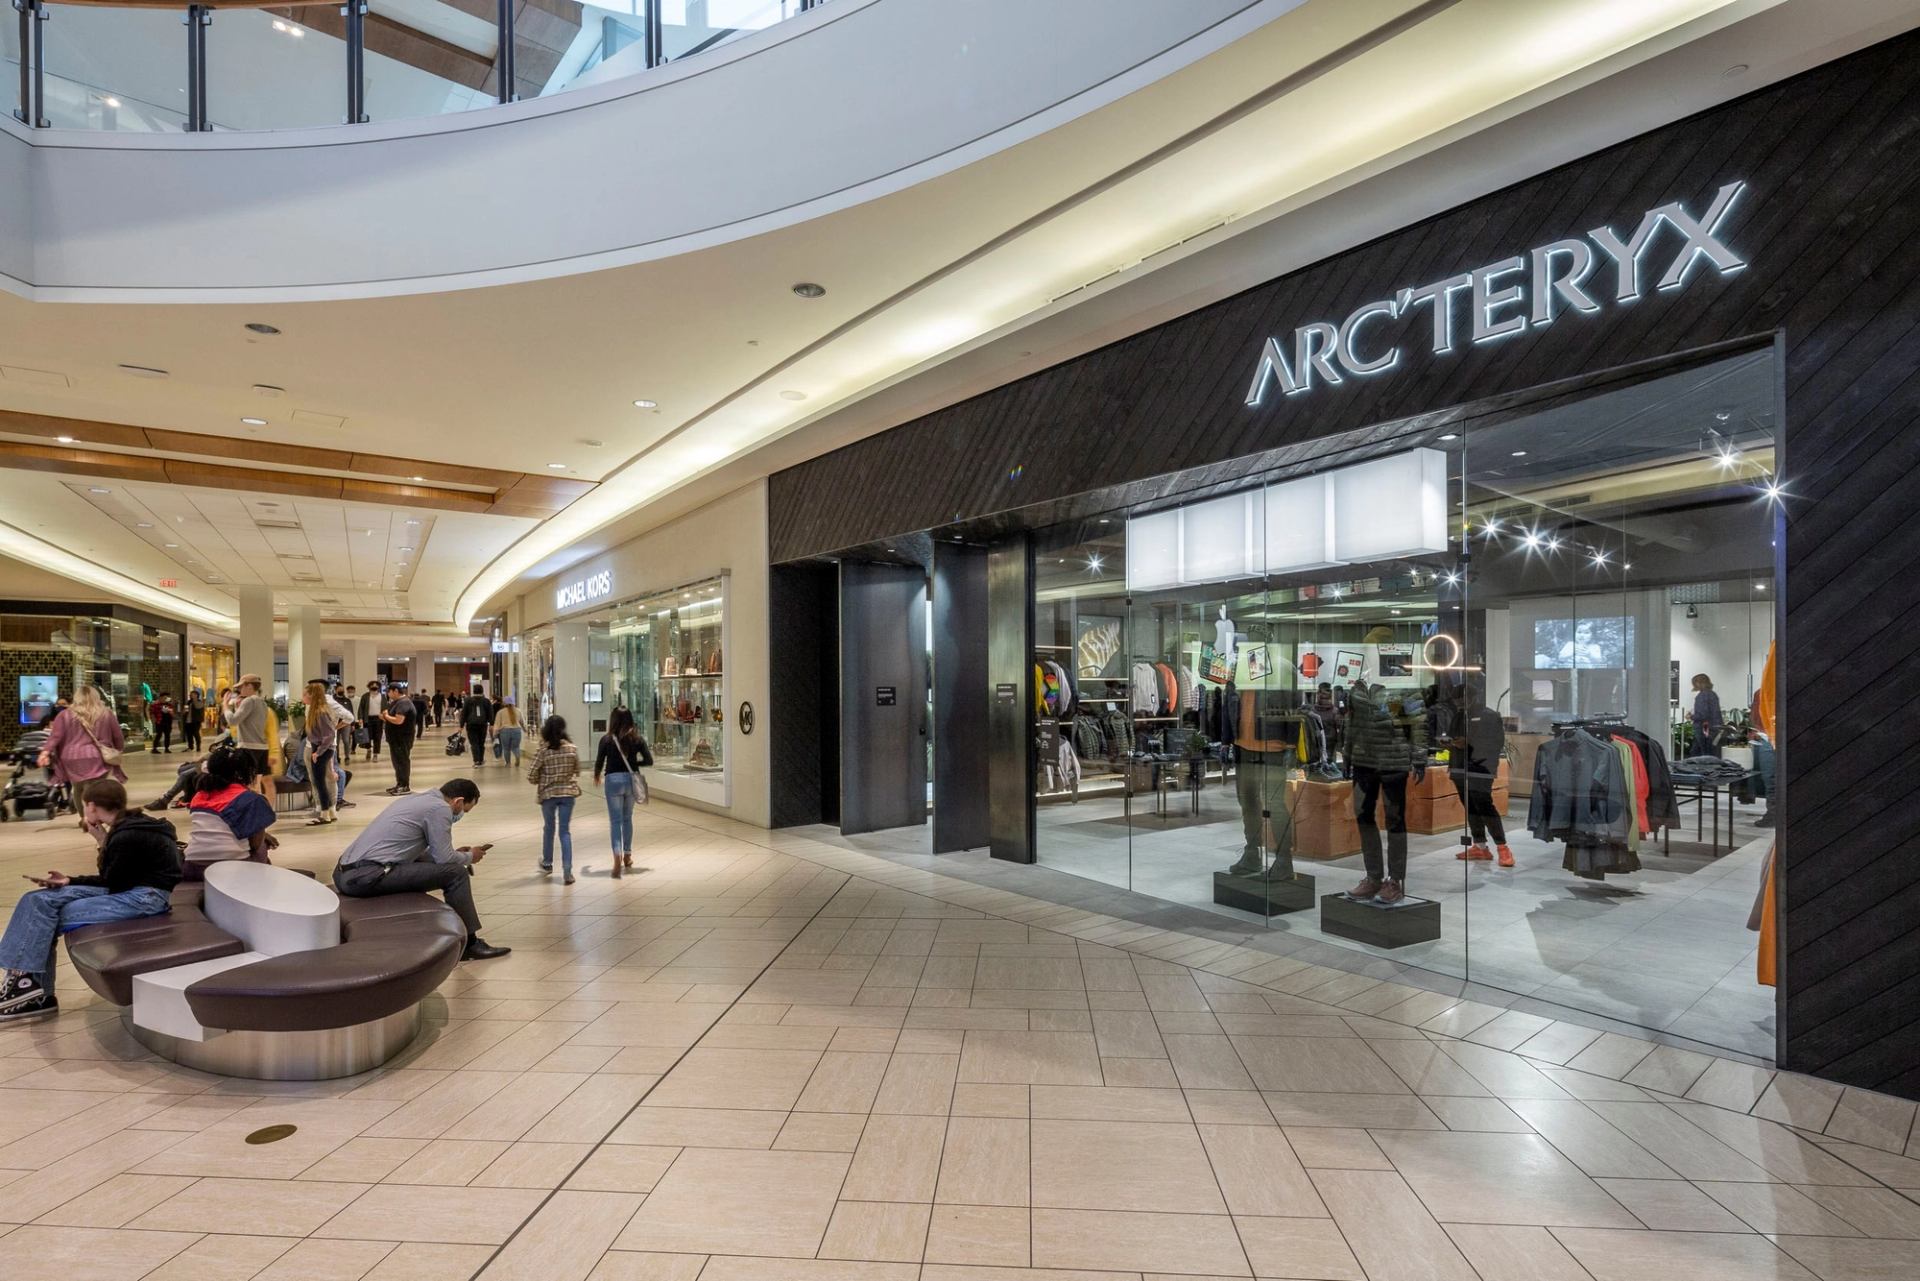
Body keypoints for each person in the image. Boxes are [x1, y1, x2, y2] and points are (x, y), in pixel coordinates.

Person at [0, 779, 180, 1021]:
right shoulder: (130, 825)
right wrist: (71, 879)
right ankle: (30, 988)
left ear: (92, 806)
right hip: (136, 892)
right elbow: (117, 878)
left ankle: (30, 988)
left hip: (144, 898)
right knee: (37, 901)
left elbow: (112, 882)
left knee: (45, 914)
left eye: (84, 806)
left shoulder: (127, 834)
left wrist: (75, 875)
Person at [330, 779, 509, 961]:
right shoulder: (440, 809)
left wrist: (456, 855)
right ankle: (470, 944)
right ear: (458, 801)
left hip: (345, 873)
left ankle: (422, 931)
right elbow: (445, 859)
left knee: (439, 866)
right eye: (465, 810)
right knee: (457, 874)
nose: (461, 814)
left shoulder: (415, 800)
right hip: (365, 877)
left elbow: (423, 853)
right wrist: (470, 857)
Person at [1344, 677, 1426, 905]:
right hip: (1363, 761)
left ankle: (1395, 880)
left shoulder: (1403, 683)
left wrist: (1419, 757)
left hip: (1394, 762)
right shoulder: (1359, 686)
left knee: (1395, 820)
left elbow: (1418, 722)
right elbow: (1352, 723)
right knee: (1363, 817)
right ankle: (1373, 877)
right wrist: (1347, 754)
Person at [184, 745, 277, 877]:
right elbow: (255, 844)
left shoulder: (199, 796)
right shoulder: (252, 799)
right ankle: (259, 888)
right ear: (243, 772)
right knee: (262, 847)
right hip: (232, 868)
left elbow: (217, 827)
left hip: (193, 866)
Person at [39, 685, 127, 826]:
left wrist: (45, 752)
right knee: (94, 788)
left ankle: (84, 818)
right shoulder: (106, 713)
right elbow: (118, 736)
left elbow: (55, 737)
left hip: (71, 757)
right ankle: (93, 818)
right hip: (96, 757)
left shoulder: (65, 715)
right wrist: (118, 749)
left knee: (78, 789)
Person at [1451, 681, 1514, 867]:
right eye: (1456, 702)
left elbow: (1495, 743)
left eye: (1461, 700)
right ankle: (1480, 846)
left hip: (1481, 768)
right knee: (1470, 807)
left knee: (1485, 806)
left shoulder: (1489, 716)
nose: (1459, 704)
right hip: (1458, 767)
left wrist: (1468, 742)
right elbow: (1451, 734)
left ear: (1471, 697)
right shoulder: (1459, 715)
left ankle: (1503, 848)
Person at [594, 707, 653, 878]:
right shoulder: (637, 739)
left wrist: (597, 775)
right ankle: (627, 855)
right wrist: (634, 765)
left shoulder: (606, 739)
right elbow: (649, 760)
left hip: (612, 781)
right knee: (627, 819)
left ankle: (616, 856)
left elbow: (599, 761)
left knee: (615, 822)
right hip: (630, 781)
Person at [527, 715, 581, 884]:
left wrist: (541, 780)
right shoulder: (572, 748)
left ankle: (548, 862)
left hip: (548, 795)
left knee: (549, 828)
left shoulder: (543, 750)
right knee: (564, 831)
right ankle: (567, 871)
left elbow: (531, 774)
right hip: (567, 794)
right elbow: (577, 770)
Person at [302, 680, 341, 825]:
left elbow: (329, 734)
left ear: (311, 696)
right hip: (320, 748)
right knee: (320, 781)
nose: (303, 697)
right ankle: (330, 811)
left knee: (320, 782)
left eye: (305, 694)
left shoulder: (320, 712)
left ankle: (325, 814)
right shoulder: (316, 711)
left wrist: (318, 752)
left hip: (322, 749)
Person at [228, 674, 272, 797]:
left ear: (249, 686)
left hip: (249, 747)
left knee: (248, 786)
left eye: (241, 686)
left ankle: (250, 812)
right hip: (262, 748)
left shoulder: (249, 701)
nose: (239, 690)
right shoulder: (262, 702)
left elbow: (233, 721)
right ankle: (260, 811)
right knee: (256, 786)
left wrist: (225, 707)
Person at [381, 684, 420, 795]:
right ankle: (400, 784)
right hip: (395, 738)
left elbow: (399, 720)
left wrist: (386, 716)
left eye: (389, 691)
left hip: (402, 738)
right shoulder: (397, 702)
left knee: (402, 761)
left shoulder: (404, 703)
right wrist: (386, 716)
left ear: (396, 691)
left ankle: (404, 785)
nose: (388, 694)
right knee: (397, 762)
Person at [1690, 673, 1724, 758]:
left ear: (1699, 683)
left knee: (1702, 752)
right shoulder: (1712, 694)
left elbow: (1703, 715)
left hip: (1705, 727)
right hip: (1712, 727)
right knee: (1709, 751)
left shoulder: (1702, 696)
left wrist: (1691, 716)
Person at [461, 690, 494, 768]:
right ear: (482, 691)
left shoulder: (468, 700)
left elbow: (464, 713)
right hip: (483, 724)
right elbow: (490, 713)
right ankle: (481, 759)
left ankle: (476, 761)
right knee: (481, 743)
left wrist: (461, 725)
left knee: (474, 743)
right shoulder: (486, 701)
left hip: (471, 724)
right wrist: (491, 723)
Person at [493, 697, 524, 769]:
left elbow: (497, 724)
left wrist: (495, 733)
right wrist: (525, 729)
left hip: (504, 731)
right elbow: (522, 722)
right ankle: (517, 756)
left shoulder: (500, 712)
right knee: (516, 747)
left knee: (506, 748)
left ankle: (508, 763)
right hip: (517, 730)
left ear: (504, 703)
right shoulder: (518, 711)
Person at [358, 682, 386, 761]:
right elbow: (361, 708)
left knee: (378, 737)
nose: (374, 688)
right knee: (367, 737)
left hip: (378, 719)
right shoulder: (365, 696)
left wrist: (385, 718)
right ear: (369, 687)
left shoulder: (382, 696)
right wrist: (360, 718)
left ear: (379, 687)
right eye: (372, 686)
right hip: (368, 719)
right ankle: (368, 750)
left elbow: (385, 708)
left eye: (376, 687)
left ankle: (375, 754)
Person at [338, 685, 359, 762]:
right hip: (340, 723)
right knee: (341, 740)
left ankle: (350, 752)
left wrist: (355, 721)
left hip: (351, 721)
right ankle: (339, 756)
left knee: (351, 738)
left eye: (352, 691)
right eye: (349, 691)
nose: (350, 692)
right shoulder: (339, 700)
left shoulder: (355, 699)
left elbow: (354, 711)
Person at [181, 688, 205, 753]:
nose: (191, 696)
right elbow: (185, 710)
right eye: (191, 695)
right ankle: (190, 747)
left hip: (196, 721)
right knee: (189, 734)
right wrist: (184, 711)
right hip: (188, 721)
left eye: (193, 694)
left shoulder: (200, 702)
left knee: (196, 733)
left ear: (197, 695)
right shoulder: (188, 702)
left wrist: (195, 700)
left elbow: (197, 707)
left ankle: (198, 747)